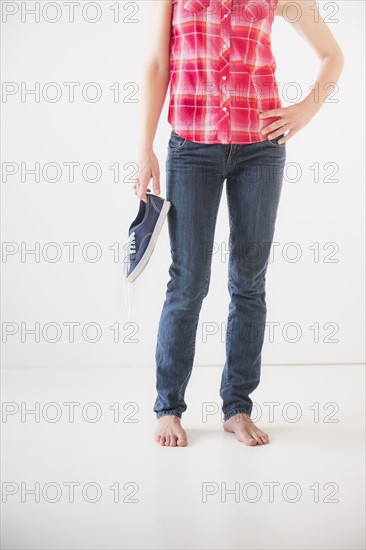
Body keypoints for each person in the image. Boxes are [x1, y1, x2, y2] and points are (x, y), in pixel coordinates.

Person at [134, 0, 344, 447]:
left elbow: (333, 55)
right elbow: (157, 62)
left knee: (248, 281)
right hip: (191, 147)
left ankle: (238, 407)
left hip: (262, 150)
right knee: (188, 279)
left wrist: (306, 109)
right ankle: (168, 407)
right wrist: (144, 147)